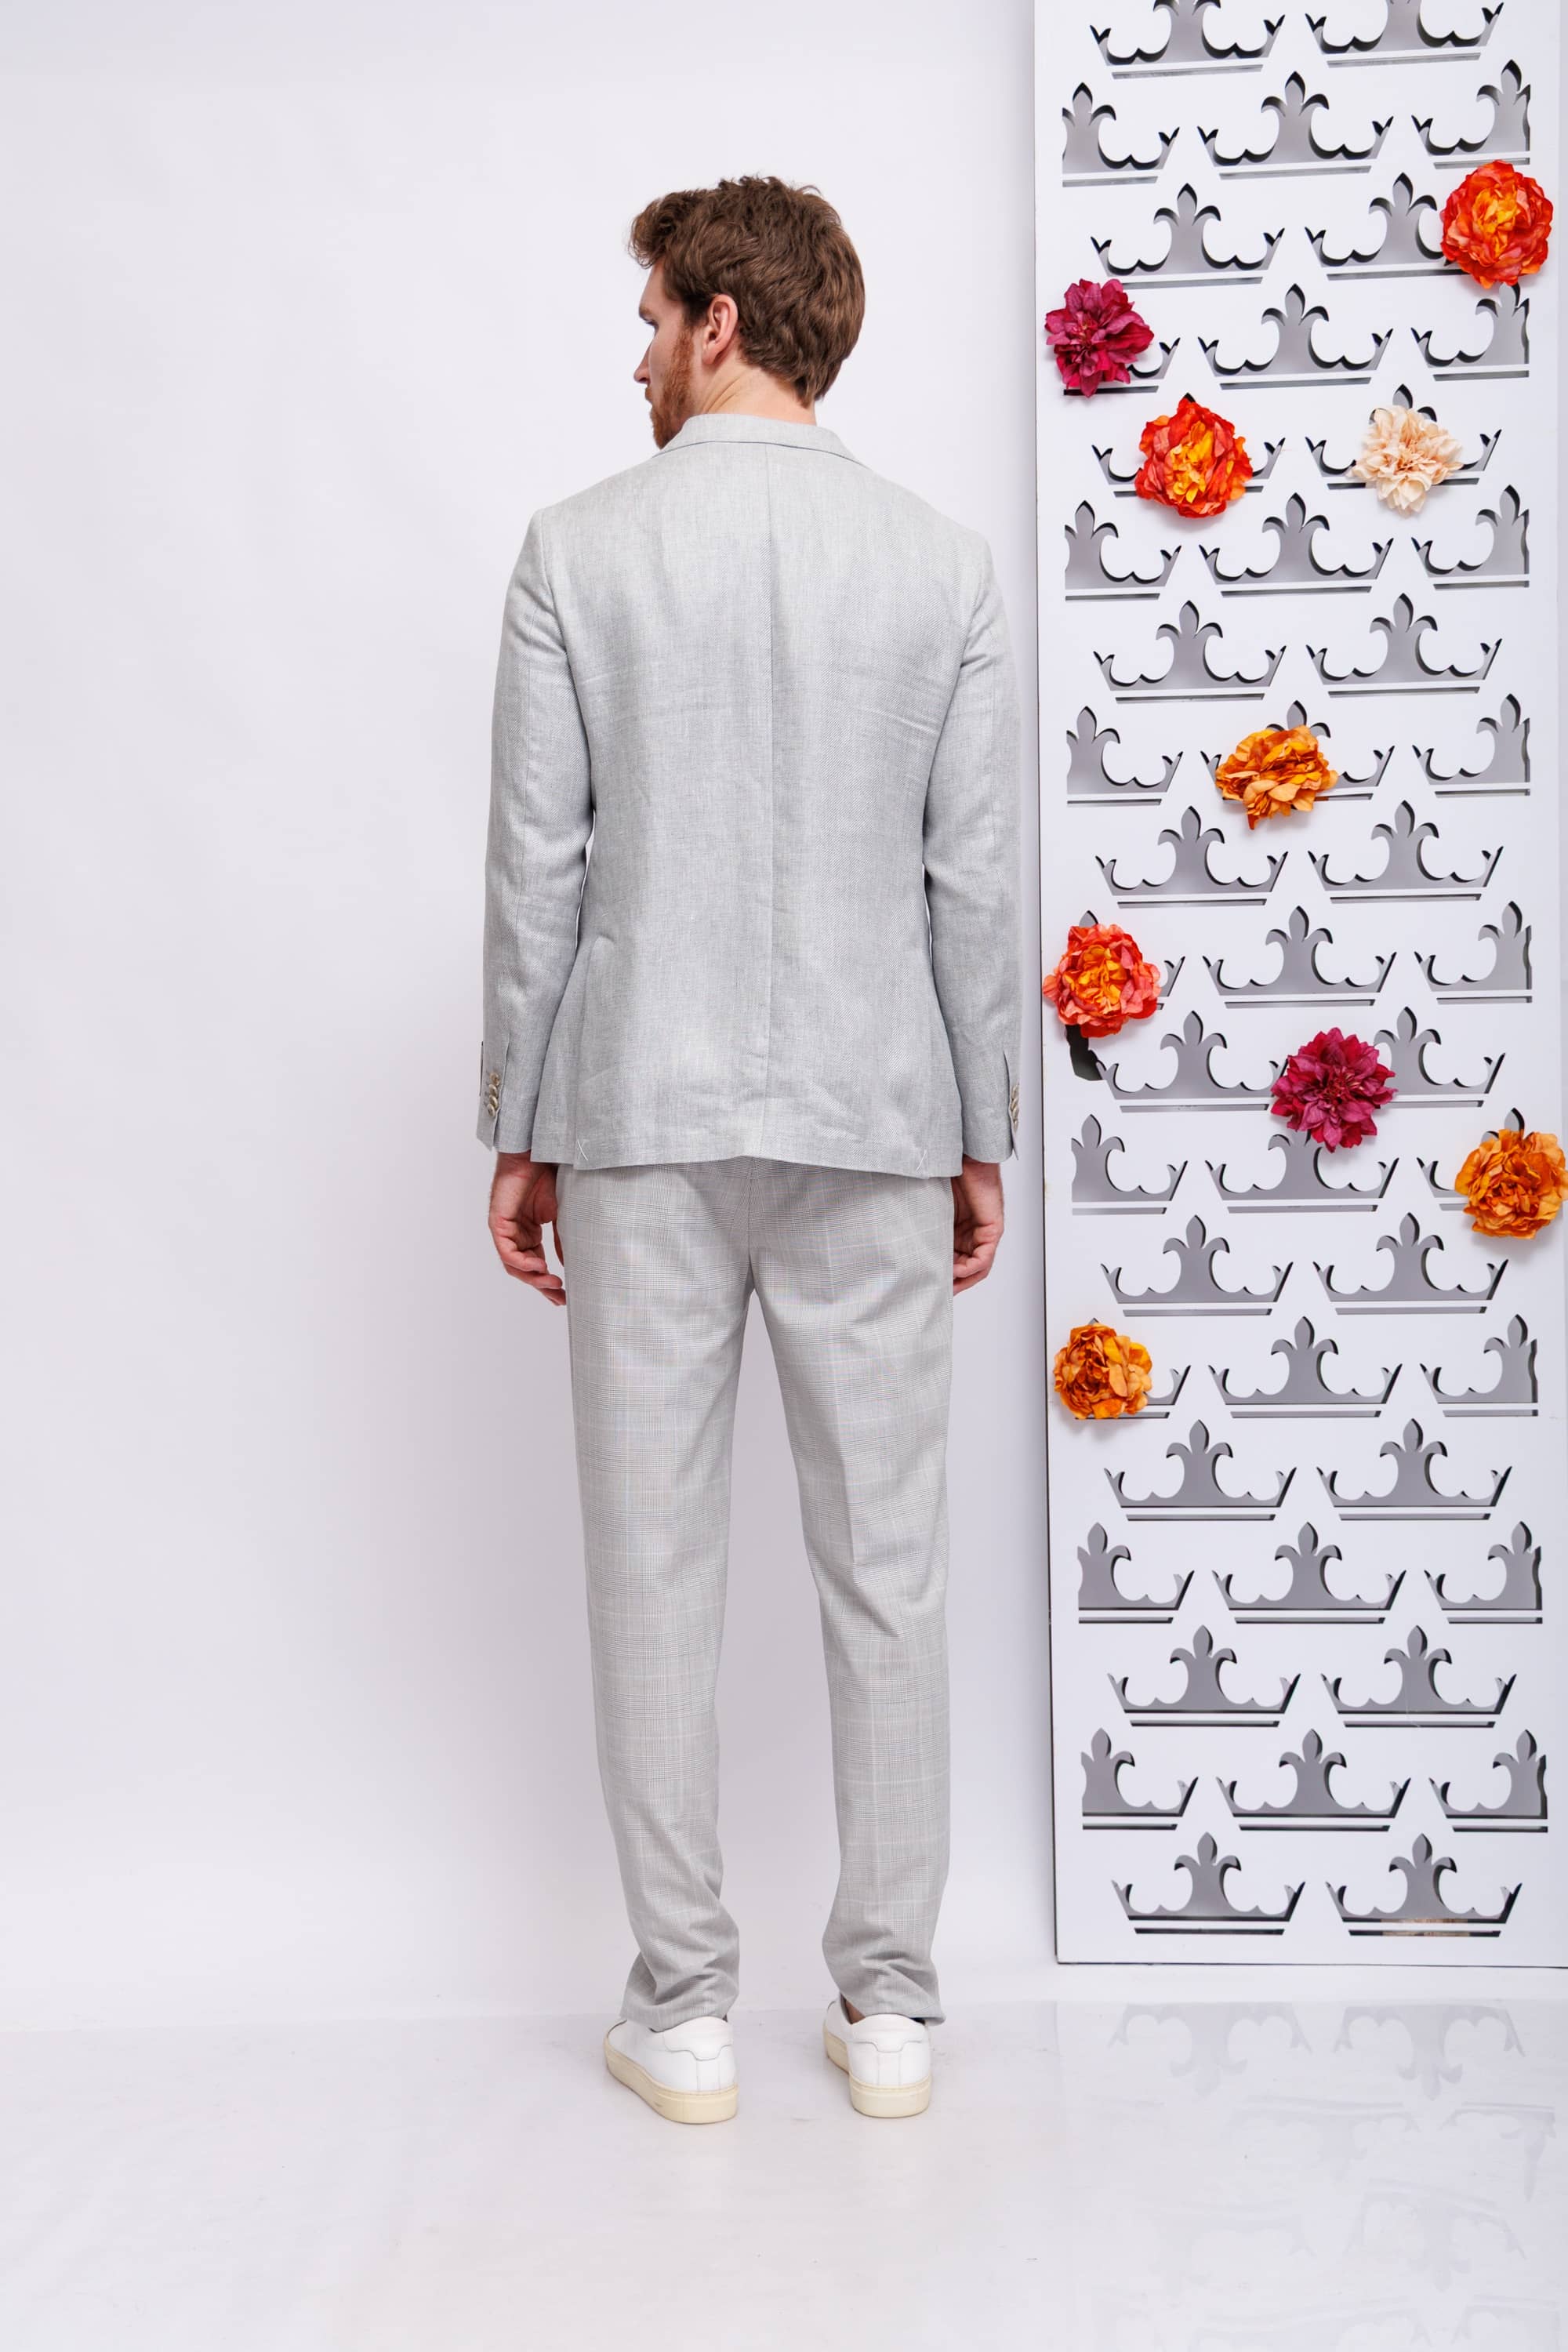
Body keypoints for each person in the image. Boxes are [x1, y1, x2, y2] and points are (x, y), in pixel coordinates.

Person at [477, 175, 1022, 2123]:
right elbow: (973, 885)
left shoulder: (577, 548)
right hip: (878, 1117)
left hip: (641, 1115)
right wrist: (980, 1133)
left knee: (652, 1564)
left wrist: (518, 1123)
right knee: (892, 1572)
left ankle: (685, 2011)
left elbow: (540, 871)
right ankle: (892, 2012)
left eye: (650, 318)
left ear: (719, 323)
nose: (635, 353)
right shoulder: (943, 566)